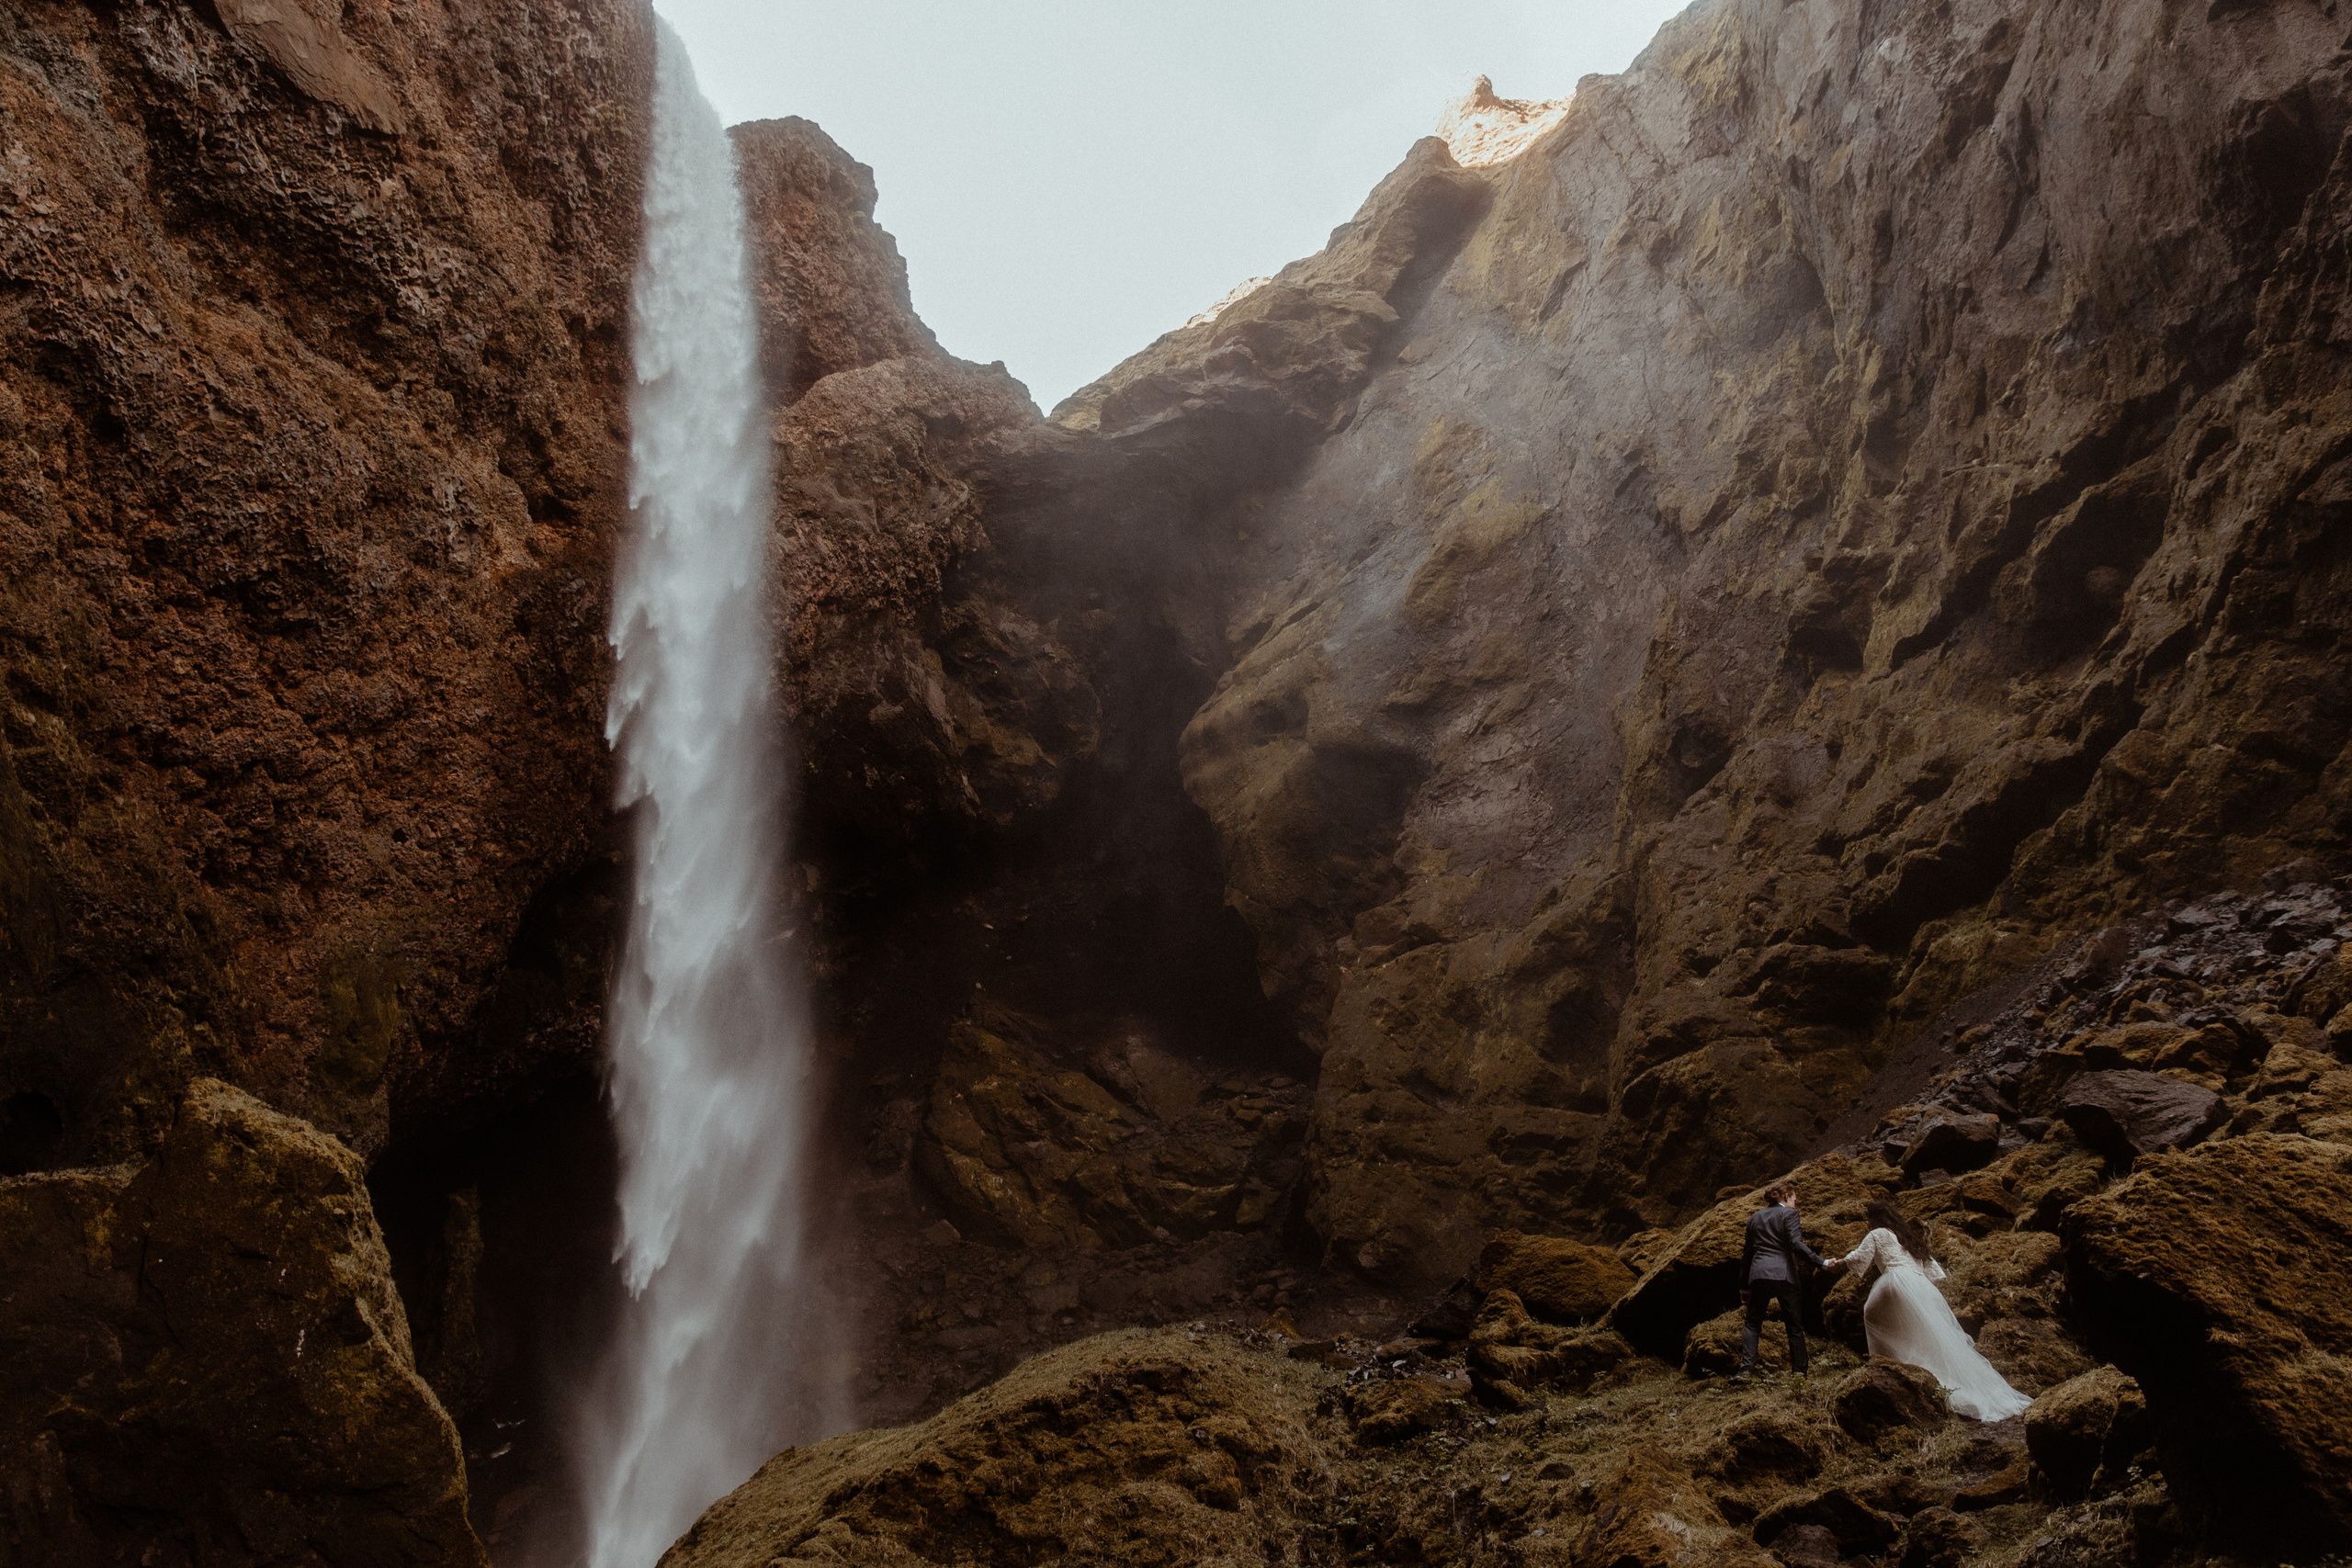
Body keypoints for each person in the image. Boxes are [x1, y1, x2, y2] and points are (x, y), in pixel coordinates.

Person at [1835, 1199, 2031, 1421]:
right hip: (1921, 1285)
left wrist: (1837, 1262)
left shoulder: (1878, 1233)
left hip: (1895, 1281)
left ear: (1874, 1219)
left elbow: (1860, 1256)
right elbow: (1933, 1271)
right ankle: (1909, 1367)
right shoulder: (1907, 1237)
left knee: (1872, 1314)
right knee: (1922, 1332)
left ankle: (1893, 1368)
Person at [1736, 1179, 1840, 1379]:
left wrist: (1744, 1288)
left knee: (1752, 1324)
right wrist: (1822, 1263)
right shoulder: (1789, 1214)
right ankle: (1799, 1374)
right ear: (1787, 1196)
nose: (1795, 1203)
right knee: (1793, 1326)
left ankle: (1746, 1369)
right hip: (1784, 1275)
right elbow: (1796, 1244)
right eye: (1794, 1199)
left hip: (1758, 1275)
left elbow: (1746, 1255)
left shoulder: (1754, 1218)